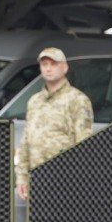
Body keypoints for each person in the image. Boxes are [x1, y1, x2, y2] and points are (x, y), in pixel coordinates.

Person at [14, 47, 93, 200]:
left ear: (65, 67)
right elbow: (25, 142)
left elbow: (84, 144)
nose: (48, 68)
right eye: (44, 64)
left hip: (64, 183)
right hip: (36, 181)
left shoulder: (78, 100)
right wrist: (22, 177)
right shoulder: (34, 101)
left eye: (54, 64)